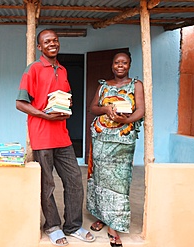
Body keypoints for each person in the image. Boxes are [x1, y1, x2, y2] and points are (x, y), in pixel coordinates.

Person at [16, 29, 95, 246]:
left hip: (63, 136)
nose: (52, 43)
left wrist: (65, 106)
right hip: (41, 136)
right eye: (47, 41)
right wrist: (45, 115)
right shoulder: (33, 69)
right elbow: (20, 103)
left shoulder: (63, 69)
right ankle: (52, 226)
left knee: (74, 181)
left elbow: (65, 98)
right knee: (47, 184)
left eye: (55, 40)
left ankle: (73, 226)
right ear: (40, 47)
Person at [86, 51, 145, 247]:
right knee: (101, 180)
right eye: (117, 63)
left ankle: (114, 225)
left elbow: (141, 110)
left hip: (123, 141)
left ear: (129, 65)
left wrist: (125, 119)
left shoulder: (136, 85)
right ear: (112, 66)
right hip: (101, 138)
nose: (120, 65)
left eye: (124, 62)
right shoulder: (104, 85)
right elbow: (93, 107)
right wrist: (106, 109)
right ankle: (102, 216)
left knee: (119, 183)